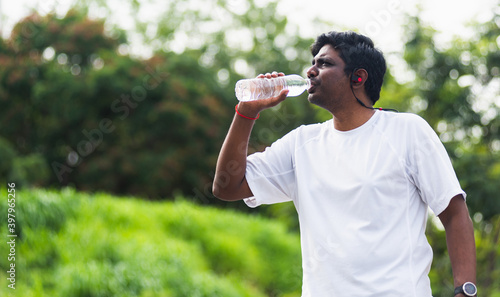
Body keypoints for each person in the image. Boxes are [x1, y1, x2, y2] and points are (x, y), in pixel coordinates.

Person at [212, 31, 477, 297]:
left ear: (358, 77)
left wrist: (465, 291)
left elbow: (454, 213)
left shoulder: (407, 131)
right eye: (313, 62)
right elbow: (227, 187)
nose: (311, 71)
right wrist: (246, 113)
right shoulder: (301, 144)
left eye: (324, 63)